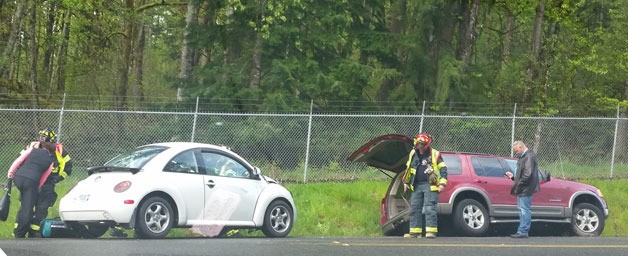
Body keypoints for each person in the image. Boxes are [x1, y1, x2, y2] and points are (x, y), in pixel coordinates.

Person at [26, 129, 73, 237]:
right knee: (26, 206)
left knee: (43, 206)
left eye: (45, 139)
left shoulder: (59, 150)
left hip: (48, 182)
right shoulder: (32, 146)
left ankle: (34, 230)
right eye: (41, 138)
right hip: (32, 180)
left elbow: (68, 166)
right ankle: (20, 230)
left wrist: (58, 178)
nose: (43, 142)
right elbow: (21, 159)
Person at [401, 133, 448, 238]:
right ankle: (415, 232)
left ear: (427, 144)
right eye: (419, 145)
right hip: (416, 186)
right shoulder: (413, 153)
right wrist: (406, 182)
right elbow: (409, 168)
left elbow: (443, 169)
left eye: (422, 145)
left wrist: (442, 184)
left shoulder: (435, 154)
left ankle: (431, 232)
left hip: (430, 185)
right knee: (414, 208)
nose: (420, 147)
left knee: (430, 208)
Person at [8, 141, 57, 238]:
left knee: (24, 204)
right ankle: (19, 234)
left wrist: (10, 173)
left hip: (18, 178)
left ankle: (17, 230)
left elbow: (19, 161)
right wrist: (36, 188)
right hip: (31, 182)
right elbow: (43, 178)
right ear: (51, 152)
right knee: (27, 208)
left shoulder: (32, 150)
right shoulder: (50, 162)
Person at [504, 140, 540, 239]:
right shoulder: (524, 156)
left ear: (520, 147)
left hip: (525, 188)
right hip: (523, 187)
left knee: (524, 210)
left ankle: (523, 231)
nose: (516, 152)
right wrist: (513, 177)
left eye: (516, 150)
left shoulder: (528, 156)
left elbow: (528, 174)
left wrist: (519, 183)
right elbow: (523, 174)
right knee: (522, 209)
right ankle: (522, 230)